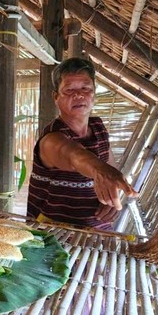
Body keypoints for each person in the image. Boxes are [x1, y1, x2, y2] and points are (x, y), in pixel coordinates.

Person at [27, 58, 138, 230]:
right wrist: (99, 171)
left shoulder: (98, 128)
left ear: (94, 93)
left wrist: (111, 199)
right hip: (53, 239)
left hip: (96, 237)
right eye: (69, 90)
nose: (78, 95)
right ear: (56, 97)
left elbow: (109, 167)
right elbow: (73, 155)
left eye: (86, 88)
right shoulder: (52, 138)